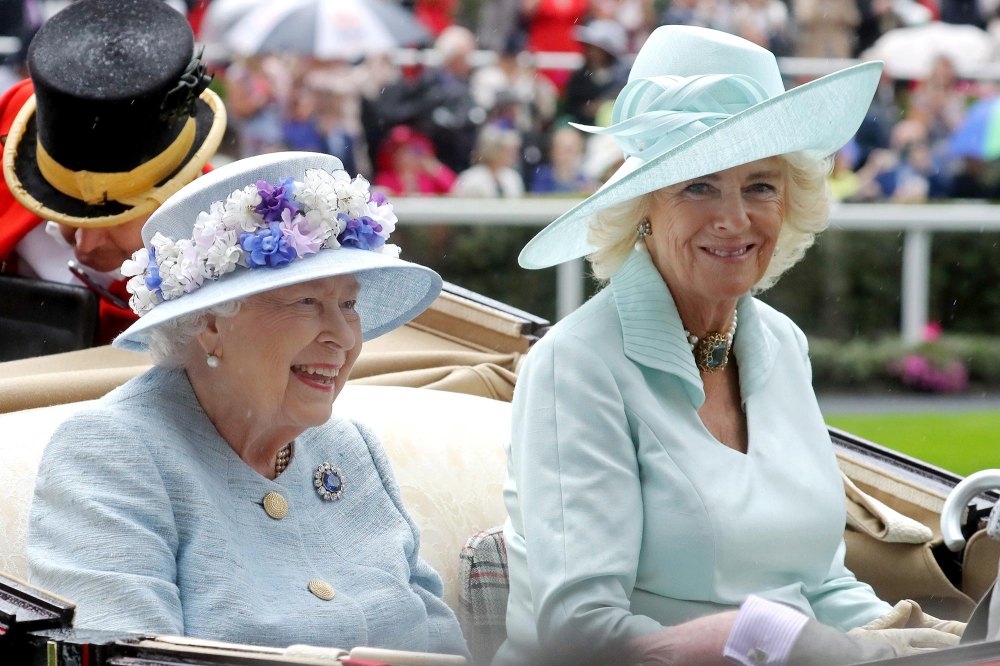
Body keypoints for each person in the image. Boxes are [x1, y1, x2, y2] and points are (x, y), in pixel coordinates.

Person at [497, 26, 965, 665]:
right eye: (698, 185)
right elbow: (578, 633)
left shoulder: (780, 342)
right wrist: (761, 640)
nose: (734, 218)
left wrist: (913, 641)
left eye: (760, 185)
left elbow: (820, 585)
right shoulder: (576, 365)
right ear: (641, 207)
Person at [27, 151, 469, 659]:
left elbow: (443, 642)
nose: (344, 337)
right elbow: (128, 657)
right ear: (212, 325)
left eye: (347, 304)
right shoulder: (110, 453)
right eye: (308, 303)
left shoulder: (349, 446)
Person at [0, 0, 226, 346]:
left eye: (115, 217)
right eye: (64, 210)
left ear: (183, 187)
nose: (85, 245)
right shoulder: (17, 122)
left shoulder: (224, 252)